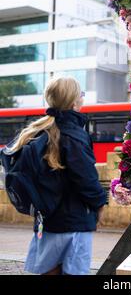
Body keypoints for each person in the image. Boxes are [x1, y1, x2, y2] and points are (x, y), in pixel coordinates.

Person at [10, 76, 107, 275]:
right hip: (74, 222)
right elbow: (86, 179)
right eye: (81, 94)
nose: (82, 98)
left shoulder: (38, 132)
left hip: (47, 221)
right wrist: (100, 203)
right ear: (74, 102)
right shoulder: (75, 135)